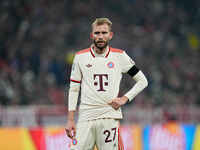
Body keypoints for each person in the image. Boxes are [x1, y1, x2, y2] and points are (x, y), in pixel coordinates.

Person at [65, 18, 148, 150]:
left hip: (109, 116)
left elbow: (142, 80)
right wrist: (70, 120)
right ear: (92, 35)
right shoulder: (80, 57)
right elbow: (74, 89)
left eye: (104, 33)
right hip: (86, 117)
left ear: (110, 35)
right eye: (97, 33)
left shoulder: (120, 56)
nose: (100, 36)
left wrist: (125, 99)